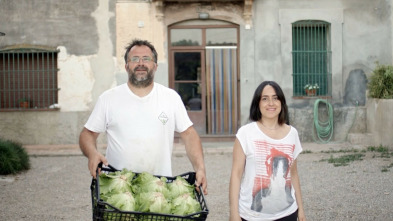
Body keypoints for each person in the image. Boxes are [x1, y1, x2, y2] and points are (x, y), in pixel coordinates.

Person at [79, 39, 207, 195]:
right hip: (118, 189)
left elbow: (189, 135)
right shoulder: (108, 99)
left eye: (146, 59)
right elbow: (87, 134)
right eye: (134, 59)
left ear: (155, 66)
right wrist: (92, 154)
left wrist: (200, 168)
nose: (141, 63)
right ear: (126, 66)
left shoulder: (170, 98)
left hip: (158, 190)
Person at [229, 81, 305, 221]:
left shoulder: (292, 133)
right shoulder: (245, 133)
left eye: (275, 98)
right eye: (265, 98)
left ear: (281, 103)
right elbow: (236, 175)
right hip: (252, 216)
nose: (271, 103)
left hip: (288, 215)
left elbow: (293, 174)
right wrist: (234, 214)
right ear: (257, 104)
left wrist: (301, 210)